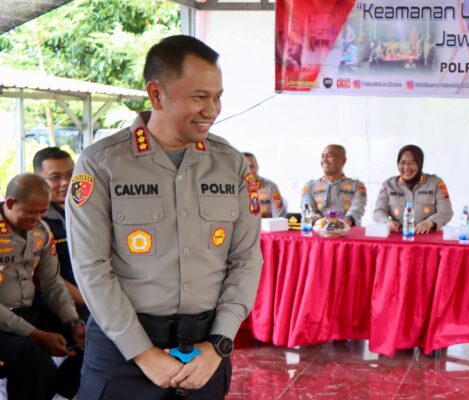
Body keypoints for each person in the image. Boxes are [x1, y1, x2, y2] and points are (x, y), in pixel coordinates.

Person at [66, 35, 263, 399]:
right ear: (156, 95)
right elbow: (91, 266)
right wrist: (142, 353)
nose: (212, 110)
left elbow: (246, 258)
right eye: (199, 97)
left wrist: (219, 343)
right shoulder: (102, 163)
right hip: (122, 354)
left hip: (204, 354)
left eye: (218, 97)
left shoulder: (230, 163)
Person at [0, 173, 85, 400]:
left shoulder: (42, 232)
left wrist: (73, 321)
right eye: (31, 212)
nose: (38, 218)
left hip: (27, 311)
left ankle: (59, 392)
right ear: (10, 203)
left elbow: (52, 283)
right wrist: (37, 335)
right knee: (30, 353)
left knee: (92, 334)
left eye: (43, 212)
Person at [32, 147, 89, 321]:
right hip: (57, 308)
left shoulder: (89, 211)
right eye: (55, 177)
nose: (66, 182)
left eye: (71, 174)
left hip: (94, 297)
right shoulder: (35, 221)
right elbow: (42, 277)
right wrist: (90, 301)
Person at [373, 145, 453, 234]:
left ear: (420, 164)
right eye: (402, 162)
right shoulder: (389, 185)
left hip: (427, 237)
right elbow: (378, 211)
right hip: (398, 237)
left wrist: (430, 222)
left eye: (412, 163)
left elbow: (446, 212)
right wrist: (387, 222)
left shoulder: (436, 183)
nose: (406, 168)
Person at [301, 144, 366, 226]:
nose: (324, 160)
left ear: (343, 160)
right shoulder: (310, 186)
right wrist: (315, 218)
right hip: (319, 230)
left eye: (329, 156)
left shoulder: (357, 185)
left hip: (348, 230)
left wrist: (345, 222)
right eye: (322, 156)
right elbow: (306, 208)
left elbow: (358, 207)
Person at [243, 152, 287, 218]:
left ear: (257, 167)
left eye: (252, 166)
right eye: (245, 168)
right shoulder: (232, 189)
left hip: (265, 224)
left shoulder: (271, 187)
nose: (249, 171)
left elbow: (279, 218)